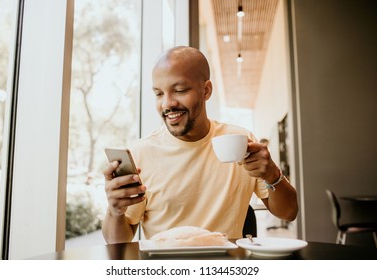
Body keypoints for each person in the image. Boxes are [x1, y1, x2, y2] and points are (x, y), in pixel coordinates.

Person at [102, 46, 298, 244]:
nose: (167, 104)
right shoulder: (141, 154)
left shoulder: (241, 142)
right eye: (159, 94)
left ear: (206, 90)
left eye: (179, 90)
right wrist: (115, 210)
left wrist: (272, 174)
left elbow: (289, 213)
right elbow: (117, 242)